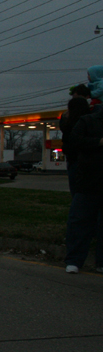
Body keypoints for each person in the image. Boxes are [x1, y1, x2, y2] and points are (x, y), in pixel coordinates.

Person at [62, 103, 103, 274]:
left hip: (88, 179)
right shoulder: (88, 121)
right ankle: (74, 260)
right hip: (89, 180)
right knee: (80, 220)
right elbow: (74, 141)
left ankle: (99, 262)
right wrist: (98, 142)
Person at [60, 94, 92, 197]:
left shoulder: (69, 124)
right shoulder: (90, 121)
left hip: (74, 159)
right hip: (89, 160)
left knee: (77, 192)